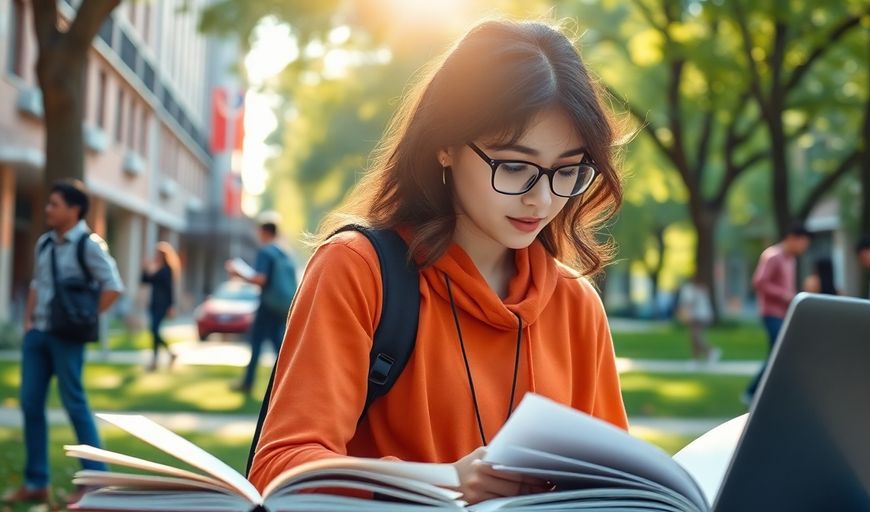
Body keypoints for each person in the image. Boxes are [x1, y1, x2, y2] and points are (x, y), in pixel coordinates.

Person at [247, 20, 628, 505]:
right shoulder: (357, 270)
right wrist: (443, 480)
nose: (542, 198)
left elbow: (614, 489)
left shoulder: (576, 306)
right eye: (514, 165)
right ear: (444, 146)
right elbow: (280, 468)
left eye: (567, 170)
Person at [3, 180, 124, 507]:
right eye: (48, 204)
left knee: (75, 405)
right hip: (38, 335)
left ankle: (96, 481)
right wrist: (29, 323)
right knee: (30, 405)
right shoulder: (44, 243)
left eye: (54, 204)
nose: (47, 209)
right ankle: (36, 482)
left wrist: (85, 319)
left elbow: (114, 286)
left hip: (67, 339)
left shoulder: (89, 245)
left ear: (74, 209)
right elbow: (36, 284)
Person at [226, 213, 295, 395]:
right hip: (282, 305)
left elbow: (260, 279)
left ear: (264, 231)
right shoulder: (284, 252)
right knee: (278, 345)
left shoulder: (266, 252)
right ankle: (289, 383)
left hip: (268, 304)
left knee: (257, 342)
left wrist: (238, 273)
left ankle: (248, 383)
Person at [743, 224, 811, 405]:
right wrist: (783, 294)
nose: (804, 247)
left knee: (780, 353)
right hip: (771, 312)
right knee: (778, 353)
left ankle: (763, 392)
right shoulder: (773, 256)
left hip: (784, 313)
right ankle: (753, 392)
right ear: (792, 238)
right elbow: (759, 282)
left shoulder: (791, 260)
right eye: (802, 242)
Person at [141, 242, 180, 371]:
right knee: (154, 331)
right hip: (153, 303)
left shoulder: (166, 270)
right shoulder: (157, 269)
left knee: (154, 330)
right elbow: (145, 280)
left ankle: (158, 359)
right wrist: (145, 268)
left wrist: (171, 306)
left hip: (162, 305)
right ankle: (164, 356)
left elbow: (170, 289)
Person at [675, 278, 720, 362]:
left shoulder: (688, 289)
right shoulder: (697, 289)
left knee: (695, 337)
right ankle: (696, 358)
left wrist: (682, 313)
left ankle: (709, 351)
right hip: (701, 315)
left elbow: (689, 303)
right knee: (694, 337)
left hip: (698, 316)